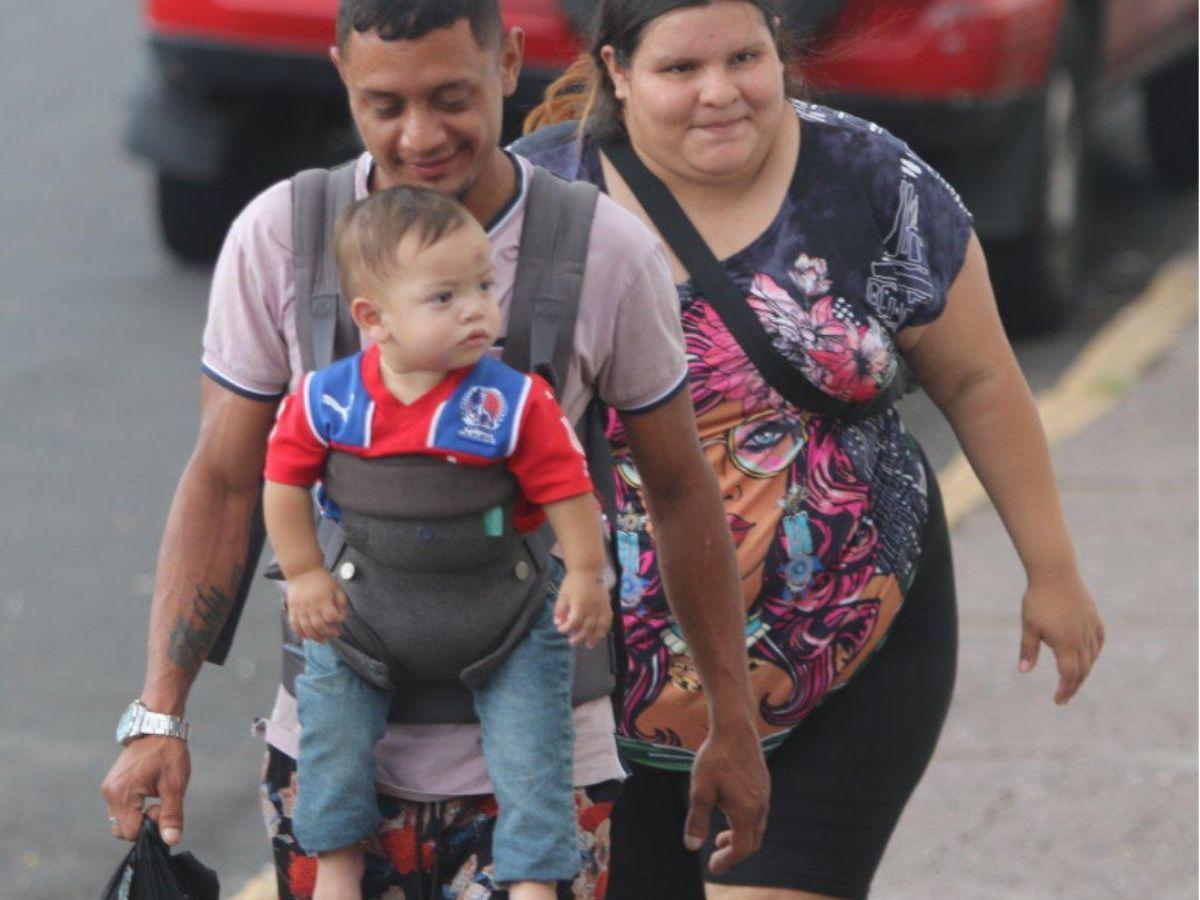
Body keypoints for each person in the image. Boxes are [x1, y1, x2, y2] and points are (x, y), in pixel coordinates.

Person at [101, 2, 770, 897]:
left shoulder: (604, 251)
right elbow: (226, 483)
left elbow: (683, 491)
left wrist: (733, 717)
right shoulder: (283, 238)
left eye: (452, 96)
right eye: (384, 104)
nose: (419, 135)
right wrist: (159, 714)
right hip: (335, 751)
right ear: (341, 74)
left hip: (543, 761)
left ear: (509, 63)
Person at [513, 0, 1106, 896]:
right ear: (617, 72)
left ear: (780, 52)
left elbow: (980, 380)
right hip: (592, 698)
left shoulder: (871, 180)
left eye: (745, 58)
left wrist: (1052, 570)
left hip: (849, 662)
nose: (720, 93)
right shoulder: (533, 206)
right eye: (680, 70)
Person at [263, 185, 613, 899]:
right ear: (372, 318)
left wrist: (583, 571)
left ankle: (535, 876)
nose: (478, 308)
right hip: (367, 609)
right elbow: (281, 482)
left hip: (503, 609)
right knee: (330, 723)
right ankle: (336, 859)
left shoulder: (513, 399)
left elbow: (567, 490)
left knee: (534, 744)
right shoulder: (328, 398)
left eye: (484, 285)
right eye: (445, 296)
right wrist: (303, 574)